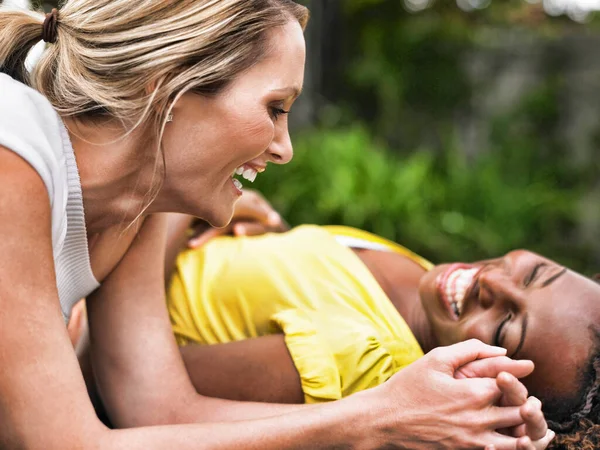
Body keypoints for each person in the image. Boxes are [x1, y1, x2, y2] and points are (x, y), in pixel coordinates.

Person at [0, 0, 550, 448]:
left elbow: (160, 409)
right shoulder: (13, 152)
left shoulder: (141, 202)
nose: (286, 149)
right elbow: (60, 441)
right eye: (276, 107)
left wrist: (408, 412)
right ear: (168, 87)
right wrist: (374, 420)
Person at [160, 216, 600, 449]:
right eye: (537, 273)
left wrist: (172, 208)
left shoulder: (363, 364)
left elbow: (132, 383)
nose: (495, 283)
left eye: (505, 327)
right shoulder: (430, 285)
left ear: (490, 396)